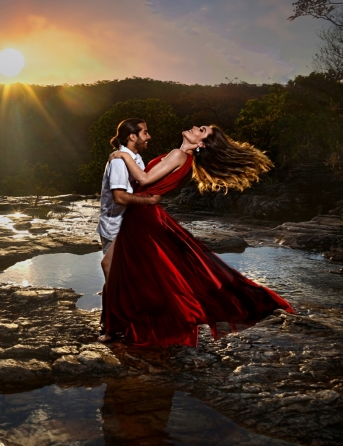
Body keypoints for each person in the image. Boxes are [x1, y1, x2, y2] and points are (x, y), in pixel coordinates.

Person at [98, 125, 295, 346]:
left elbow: (144, 180)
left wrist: (123, 155)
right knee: (129, 269)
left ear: (201, 143)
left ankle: (118, 326)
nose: (195, 127)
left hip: (142, 217)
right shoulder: (185, 159)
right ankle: (119, 322)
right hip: (144, 214)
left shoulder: (179, 155)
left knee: (126, 269)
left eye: (201, 130)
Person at [96, 119, 161, 337]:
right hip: (115, 225)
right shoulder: (118, 162)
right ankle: (111, 325)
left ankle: (114, 321)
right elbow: (120, 196)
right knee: (114, 275)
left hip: (130, 225)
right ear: (132, 136)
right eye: (145, 132)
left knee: (127, 276)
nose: (148, 136)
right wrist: (150, 202)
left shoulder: (135, 158)